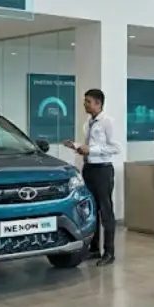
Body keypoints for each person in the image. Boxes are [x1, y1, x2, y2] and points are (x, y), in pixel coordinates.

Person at [64, 88, 121, 266]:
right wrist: (77, 146)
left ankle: (109, 252)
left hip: (103, 170)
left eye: (88, 101)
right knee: (91, 209)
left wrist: (92, 150)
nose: (85, 104)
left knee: (106, 211)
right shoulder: (88, 122)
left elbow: (116, 148)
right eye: (85, 101)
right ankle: (95, 249)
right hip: (89, 169)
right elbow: (90, 145)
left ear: (98, 103)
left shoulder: (108, 122)